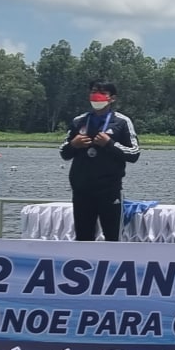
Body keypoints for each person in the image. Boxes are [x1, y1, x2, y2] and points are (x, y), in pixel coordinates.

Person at [59, 80, 141, 241]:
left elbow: (134, 154)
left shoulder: (122, 122)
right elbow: (64, 153)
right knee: (83, 239)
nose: (97, 96)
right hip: (82, 191)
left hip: (109, 191)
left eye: (102, 93)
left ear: (112, 98)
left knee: (113, 238)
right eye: (93, 92)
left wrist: (109, 144)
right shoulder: (79, 121)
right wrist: (73, 145)